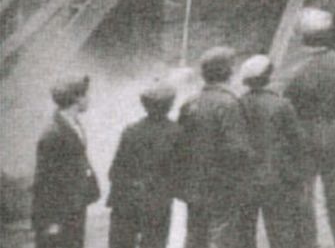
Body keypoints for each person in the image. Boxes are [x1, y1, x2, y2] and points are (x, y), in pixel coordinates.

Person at [283, 9, 335, 248]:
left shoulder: (294, 70)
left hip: (303, 137)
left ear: (303, 37)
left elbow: (286, 108)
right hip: (333, 136)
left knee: (304, 195)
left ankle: (307, 243)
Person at [176, 47, 252, 248]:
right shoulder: (229, 103)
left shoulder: (189, 103)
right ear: (228, 71)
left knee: (194, 235)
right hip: (221, 185)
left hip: (193, 183)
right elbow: (237, 149)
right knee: (222, 236)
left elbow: (179, 145)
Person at [237, 55, 307, 248]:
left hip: (246, 179)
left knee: (244, 233)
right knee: (280, 231)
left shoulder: (238, 104)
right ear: (268, 77)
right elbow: (298, 141)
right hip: (276, 178)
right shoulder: (282, 105)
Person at [107, 81, 180, 248]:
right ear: (170, 105)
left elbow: (114, 171)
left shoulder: (131, 131)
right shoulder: (176, 133)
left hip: (126, 201)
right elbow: (179, 172)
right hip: (158, 203)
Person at [32, 75, 101, 248]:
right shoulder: (53, 134)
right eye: (86, 95)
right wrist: (50, 222)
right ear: (77, 98)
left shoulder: (73, 124)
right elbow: (44, 180)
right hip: (59, 215)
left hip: (74, 207)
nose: (89, 99)